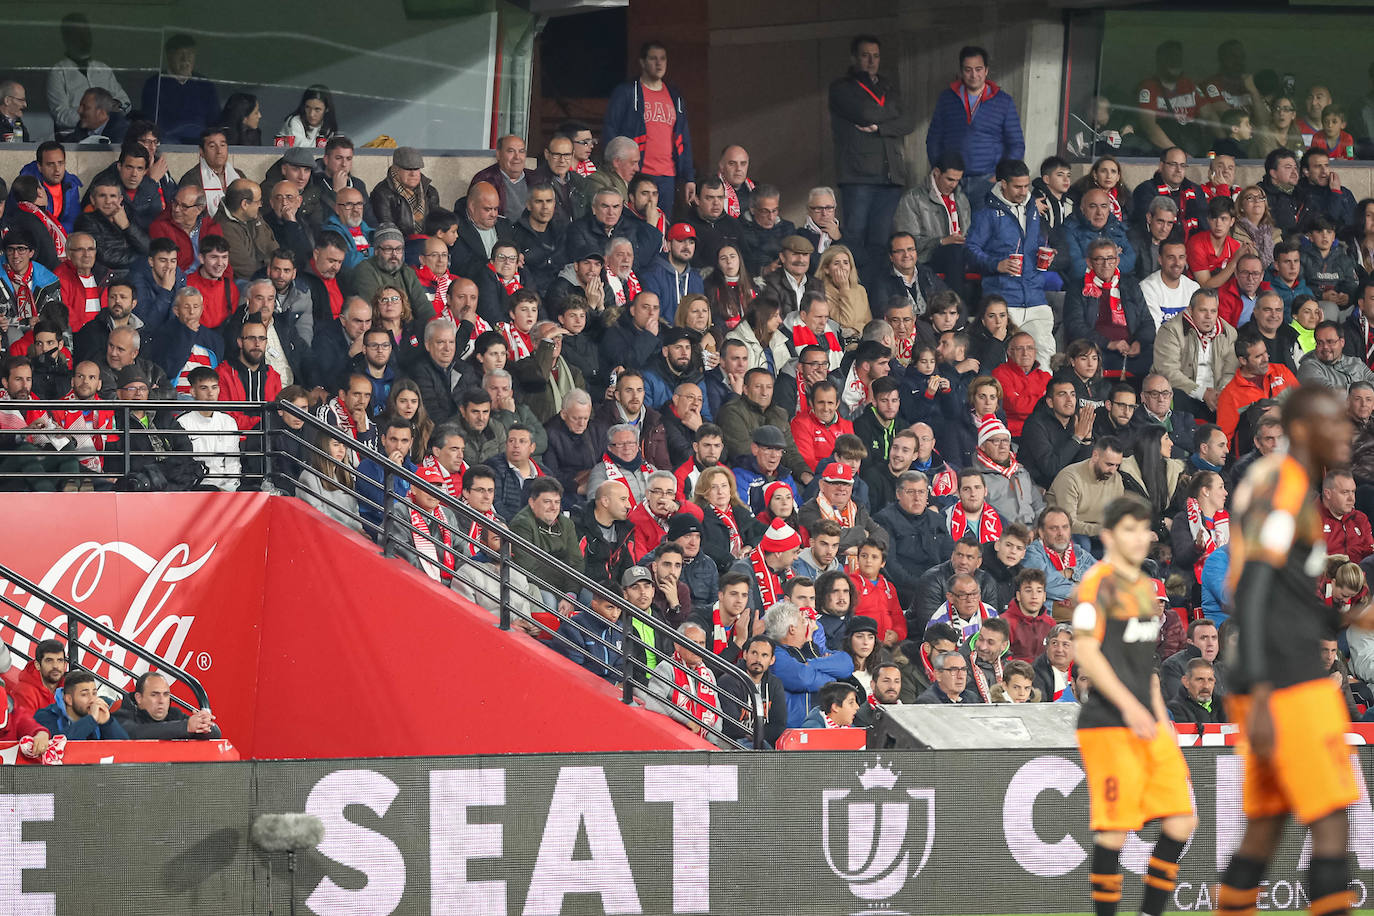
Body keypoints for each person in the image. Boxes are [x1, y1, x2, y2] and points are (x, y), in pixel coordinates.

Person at [1218, 385, 1365, 916]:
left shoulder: (1287, 484)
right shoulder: (1284, 484)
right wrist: (1260, 687)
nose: (1347, 431)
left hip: (1280, 670)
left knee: (1266, 826)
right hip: (1285, 681)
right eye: (1334, 421)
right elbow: (1252, 583)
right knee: (1330, 819)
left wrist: (1346, 616)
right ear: (1303, 430)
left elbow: (1284, 595)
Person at [1071, 494, 1197, 916]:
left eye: (1144, 529)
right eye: (1129, 529)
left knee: (1182, 819)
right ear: (1108, 536)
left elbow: (1147, 667)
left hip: (1149, 722)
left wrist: (1163, 721)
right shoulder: (1097, 584)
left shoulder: (1144, 588)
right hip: (1109, 722)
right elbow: (1086, 651)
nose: (1140, 538)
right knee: (1115, 830)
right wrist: (1129, 707)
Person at [828, 35, 916, 272]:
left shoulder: (888, 87)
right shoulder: (842, 88)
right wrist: (891, 114)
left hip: (890, 175)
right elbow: (864, 112)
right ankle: (854, 287)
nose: (871, 61)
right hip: (858, 176)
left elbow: (908, 121)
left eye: (875, 56)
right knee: (854, 238)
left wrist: (880, 128)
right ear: (854, 58)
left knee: (880, 240)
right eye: (865, 55)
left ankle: (875, 287)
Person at [966, 159, 1054, 369]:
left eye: (1026, 186)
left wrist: (1045, 252)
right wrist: (997, 265)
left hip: (1035, 297)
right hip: (1004, 300)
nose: (1024, 192)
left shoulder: (1032, 208)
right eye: (1018, 186)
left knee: (1045, 357)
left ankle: (1044, 392)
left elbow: (1036, 242)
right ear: (1003, 184)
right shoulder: (987, 212)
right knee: (1003, 362)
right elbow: (970, 250)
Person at [926, 45, 1024, 215]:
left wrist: (1001, 176)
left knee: (983, 227)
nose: (973, 75)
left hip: (988, 180)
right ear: (961, 71)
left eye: (978, 69)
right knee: (951, 227)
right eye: (968, 70)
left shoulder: (1003, 101)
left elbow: (1016, 144)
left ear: (986, 70)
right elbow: (934, 138)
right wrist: (939, 170)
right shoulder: (947, 98)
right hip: (952, 181)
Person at [603, 42, 695, 208]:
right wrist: (615, 166)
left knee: (662, 222)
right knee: (633, 219)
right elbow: (610, 129)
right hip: (637, 172)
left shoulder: (675, 96)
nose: (659, 63)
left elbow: (684, 138)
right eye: (653, 58)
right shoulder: (627, 92)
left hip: (668, 176)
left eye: (663, 58)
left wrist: (689, 177)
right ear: (642, 62)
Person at [1064, 239, 1155, 380]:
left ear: (1117, 261)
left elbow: (1147, 322)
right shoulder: (1078, 288)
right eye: (1099, 259)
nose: (1106, 264)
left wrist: (1139, 343)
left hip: (1130, 348)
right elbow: (1075, 326)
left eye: (1110, 259)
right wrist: (1109, 344)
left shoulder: (1130, 285)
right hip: (1097, 349)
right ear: (1089, 262)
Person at [766, 599, 855, 727]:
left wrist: (811, 664)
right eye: (803, 622)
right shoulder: (774, 654)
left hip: (826, 727)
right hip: (796, 729)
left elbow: (846, 664)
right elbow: (803, 678)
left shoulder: (811, 648)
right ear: (792, 629)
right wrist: (832, 675)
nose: (808, 625)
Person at [1152, 289, 1237, 420]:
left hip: (1215, 397)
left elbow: (1230, 372)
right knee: (1176, 395)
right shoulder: (1170, 330)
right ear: (1190, 310)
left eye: (1213, 311)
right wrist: (1202, 393)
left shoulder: (1228, 333)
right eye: (1203, 310)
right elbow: (1167, 371)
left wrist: (1222, 393)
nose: (1209, 316)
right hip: (1185, 393)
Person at [1216, 332, 1298, 445]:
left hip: (1294, 442)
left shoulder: (1281, 371)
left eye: (1265, 352)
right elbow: (1224, 440)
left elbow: (1304, 406)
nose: (1265, 359)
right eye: (1258, 356)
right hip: (1258, 450)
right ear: (1243, 361)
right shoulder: (1230, 395)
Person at [140, 34, 219, 144]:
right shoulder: (154, 83)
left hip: (200, 141)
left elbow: (214, 121)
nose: (185, 59)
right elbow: (150, 121)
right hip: (168, 141)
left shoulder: (205, 84)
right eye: (180, 54)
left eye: (190, 54)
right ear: (169, 56)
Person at [1048, 437, 1127, 539]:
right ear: (1095, 456)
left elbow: (1117, 516)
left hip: (1099, 530)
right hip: (1067, 531)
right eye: (1109, 464)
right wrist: (1102, 530)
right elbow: (1067, 523)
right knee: (1083, 543)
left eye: (1117, 466)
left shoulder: (1116, 479)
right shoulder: (1070, 477)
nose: (1113, 471)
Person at [34, 670, 129, 741]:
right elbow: (57, 745)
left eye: (94, 693)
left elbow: (124, 750)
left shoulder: (97, 715)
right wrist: (91, 720)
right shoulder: (45, 716)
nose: (92, 699)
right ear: (69, 699)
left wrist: (107, 723)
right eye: (84, 694)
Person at [370, 147, 440, 237]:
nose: (413, 174)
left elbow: (437, 225)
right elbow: (387, 228)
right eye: (408, 169)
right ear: (396, 169)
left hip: (427, 242)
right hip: (398, 242)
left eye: (416, 169)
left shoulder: (430, 192)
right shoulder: (382, 193)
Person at [1298, 320, 1374, 394]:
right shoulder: (1308, 367)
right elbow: (1332, 395)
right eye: (1320, 343)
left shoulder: (1356, 362)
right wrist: (1365, 390)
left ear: (1342, 342)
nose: (1325, 347)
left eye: (1330, 342)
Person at [914, 649, 982, 704]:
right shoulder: (927, 703)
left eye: (963, 669)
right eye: (954, 670)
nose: (960, 676)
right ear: (938, 675)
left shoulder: (971, 698)